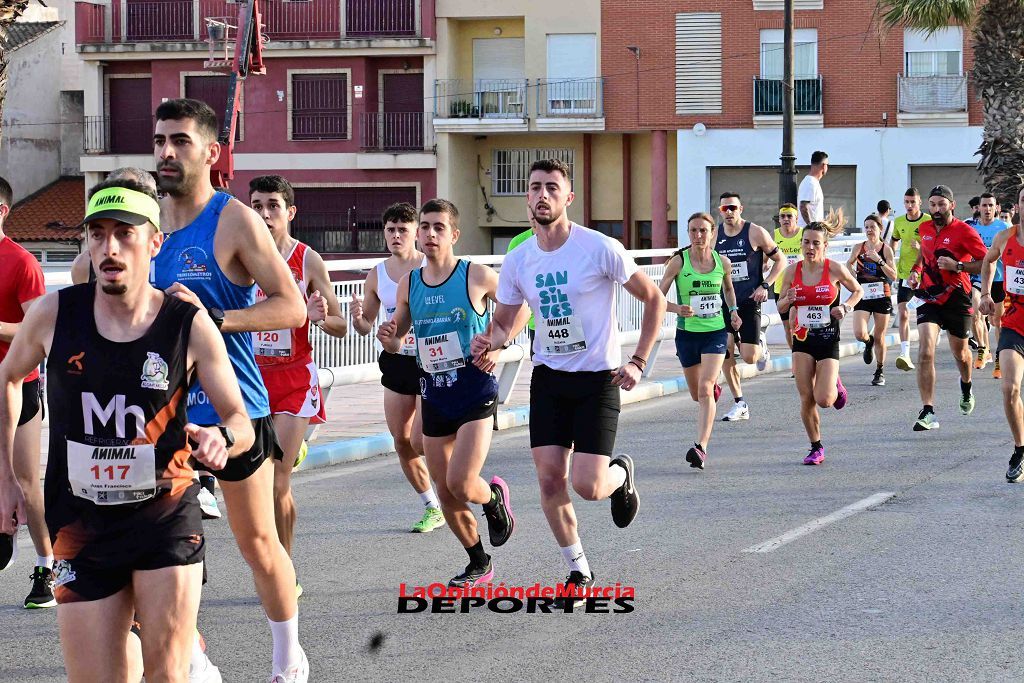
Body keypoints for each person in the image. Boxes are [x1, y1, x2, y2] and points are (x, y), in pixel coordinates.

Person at [0, 177, 255, 682]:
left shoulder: (188, 323)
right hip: (79, 523)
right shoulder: (56, 313)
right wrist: (7, 477)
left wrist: (221, 439)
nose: (109, 248)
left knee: (167, 675)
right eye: (97, 235)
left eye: (125, 233)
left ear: (155, 241)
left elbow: (239, 418)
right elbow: (9, 376)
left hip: (165, 518)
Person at [149, 99, 309, 682]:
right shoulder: (142, 226)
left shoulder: (233, 219)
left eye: (182, 141)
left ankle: (289, 656)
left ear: (211, 152)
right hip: (157, 416)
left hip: (233, 408)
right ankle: (194, 658)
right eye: (161, 139)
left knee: (259, 544)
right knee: (155, 556)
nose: (167, 152)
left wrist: (213, 317)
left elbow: (291, 307)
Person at [471, 158, 665, 606]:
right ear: (527, 196)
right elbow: (505, 321)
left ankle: (621, 473)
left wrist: (637, 361)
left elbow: (653, 299)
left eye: (552, 188)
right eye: (535, 187)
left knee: (589, 485)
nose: (543, 195)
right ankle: (578, 568)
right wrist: (493, 341)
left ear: (568, 198)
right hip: (549, 379)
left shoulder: (599, 248)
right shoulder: (519, 259)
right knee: (550, 480)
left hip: (597, 380)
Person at [378, 198, 521, 588]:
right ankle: (479, 561)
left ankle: (492, 499)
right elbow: (397, 339)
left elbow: (521, 306)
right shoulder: (410, 283)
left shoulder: (474, 274)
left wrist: (498, 343)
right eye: (424, 227)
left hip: (474, 389)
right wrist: (388, 337)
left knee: (461, 481)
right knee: (445, 491)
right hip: (435, 392)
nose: (429, 233)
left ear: (454, 234)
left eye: (438, 227)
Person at [248, 175, 347, 593]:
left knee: (277, 480)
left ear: (289, 212)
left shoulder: (307, 260)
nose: (265, 214)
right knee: (252, 484)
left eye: (273, 206)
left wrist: (318, 315)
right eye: (257, 205)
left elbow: (341, 326)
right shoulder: (238, 257)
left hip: (293, 378)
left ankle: (284, 570)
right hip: (250, 377)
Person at [349, 202, 444, 534]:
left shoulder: (429, 266)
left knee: (422, 440)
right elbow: (366, 327)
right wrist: (358, 318)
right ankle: (432, 506)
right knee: (401, 439)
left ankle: (454, 488)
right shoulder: (377, 274)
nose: (396, 235)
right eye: (390, 229)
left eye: (403, 229)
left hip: (431, 361)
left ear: (416, 232)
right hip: (397, 362)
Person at [0, 175, 55, 609]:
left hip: (18, 387)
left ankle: (46, 562)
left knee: (26, 483)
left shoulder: (21, 263)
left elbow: (35, 329)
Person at [777, 209, 863, 465]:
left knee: (824, 400)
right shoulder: (792, 272)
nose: (810, 247)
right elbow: (781, 306)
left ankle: (834, 383)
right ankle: (816, 446)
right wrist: (788, 300)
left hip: (828, 339)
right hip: (802, 340)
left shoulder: (834, 269)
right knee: (806, 397)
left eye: (816, 243)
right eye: (806, 242)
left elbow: (857, 291)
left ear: (825, 246)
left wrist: (846, 307)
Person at [658, 212, 740, 468]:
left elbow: (728, 288)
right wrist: (676, 308)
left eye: (703, 230)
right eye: (693, 231)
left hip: (715, 332)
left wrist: (734, 311)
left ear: (712, 232)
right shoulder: (678, 263)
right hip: (687, 335)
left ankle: (701, 447)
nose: (698, 236)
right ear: (688, 233)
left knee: (705, 388)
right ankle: (712, 392)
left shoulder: (722, 262)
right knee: (697, 394)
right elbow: (657, 296)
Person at [907, 185, 988, 431]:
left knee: (961, 354)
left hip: (957, 298)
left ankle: (966, 385)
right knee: (925, 351)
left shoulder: (964, 231)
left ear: (952, 205)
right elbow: (923, 254)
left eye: (942, 204)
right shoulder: (924, 229)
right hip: (930, 296)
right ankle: (928, 411)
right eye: (933, 205)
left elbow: (984, 262)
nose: (937, 209)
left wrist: (958, 266)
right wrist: (915, 271)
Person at [715, 192, 785, 421]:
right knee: (724, 349)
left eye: (733, 208)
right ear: (720, 211)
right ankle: (740, 403)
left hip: (749, 300)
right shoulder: (715, 235)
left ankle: (760, 345)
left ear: (741, 208)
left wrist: (765, 285)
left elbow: (780, 260)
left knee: (749, 358)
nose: (729, 212)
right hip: (725, 301)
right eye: (725, 209)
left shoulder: (754, 232)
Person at [980, 185, 1024, 481]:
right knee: (1009, 389)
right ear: (1018, 204)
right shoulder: (1005, 236)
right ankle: (1020, 450)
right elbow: (988, 260)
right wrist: (984, 293)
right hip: (1013, 325)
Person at [847, 214, 897, 386]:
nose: (869, 230)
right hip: (863, 293)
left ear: (880, 229)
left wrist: (879, 260)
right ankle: (868, 344)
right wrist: (852, 274)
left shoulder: (886, 249)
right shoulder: (858, 247)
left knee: (880, 335)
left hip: (882, 294)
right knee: (859, 333)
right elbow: (849, 263)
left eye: (872, 227)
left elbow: (894, 275)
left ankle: (880, 370)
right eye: (866, 227)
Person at [890, 187, 930, 371]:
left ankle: (926, 349)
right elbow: (894, 240)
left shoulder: (927, 221)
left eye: (913, 202)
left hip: (925, 275)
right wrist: (889, 259)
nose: (909, 205)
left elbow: (934, 245)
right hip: (905, 274)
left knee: (925, 315)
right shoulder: (898, 222)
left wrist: (921, 244)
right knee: (903, 311)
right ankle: (904, 353)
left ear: (919, 202)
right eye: (906, 202)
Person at [970, 193, 1008, 377]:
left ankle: (999, 359)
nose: (987, 209)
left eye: (990, 205)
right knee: (975, 312)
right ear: (979, 207)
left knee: (997, 321)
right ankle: (983, 349)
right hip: (979, 278)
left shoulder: (1003, 228)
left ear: (996, 208)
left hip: (999, 279)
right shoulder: (973, 229)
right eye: (984, 205)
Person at [773, 203, 803, 351]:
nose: (786, 219)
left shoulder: (803, 234)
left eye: (789, 216)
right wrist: (765, 265)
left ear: (796, 218)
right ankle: (795, 357)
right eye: (782, 216)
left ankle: (802, 355)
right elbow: (766, 258)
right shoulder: (774, 236)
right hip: (780, 287)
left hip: (801, 285)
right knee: (787, 327)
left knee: (794, 322)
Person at [798, 151, 829, 228]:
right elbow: (803, 207)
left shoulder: (813, 182)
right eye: (827, 165)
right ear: (824, 165)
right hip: (809, 233)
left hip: (812, 232)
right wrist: (811, 227)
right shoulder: (810, 183)